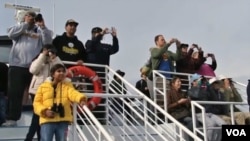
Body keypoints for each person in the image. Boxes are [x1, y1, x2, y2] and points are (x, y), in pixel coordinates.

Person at [3, 11, 53, 127]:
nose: (32, 18)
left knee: (37, 94)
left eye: (33, 16)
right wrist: (25, 24)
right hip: (17, 66)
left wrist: (42, 26)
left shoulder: (40, 31)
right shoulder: (19, 28)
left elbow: (48, 42)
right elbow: (10, 34)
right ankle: (12, 118)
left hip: (34, 68)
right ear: (25, 17)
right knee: (15, 93)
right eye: (29, 16)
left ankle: (40, 118)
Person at [33, 64, 87, 141]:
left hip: (63, 120)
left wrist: (81, 99)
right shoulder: (43, 86)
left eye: (63, 71)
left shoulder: (68, 85)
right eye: (59, 71)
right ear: (52, 74)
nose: (61, 73)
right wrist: (45, 111)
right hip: (47, 120)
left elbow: (73, 93)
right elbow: (36, 103)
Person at [24, 44, 63, 141]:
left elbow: (62, 69)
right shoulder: (38, 60)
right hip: (36, 91)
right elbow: (33, 70)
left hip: (48, 93)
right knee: (38, 115)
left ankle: (35, 138)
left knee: (40, 117)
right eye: (47, 50)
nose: (49, 52)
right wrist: (42, 55)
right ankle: (30, 138)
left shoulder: (53, 62)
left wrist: (54, 58)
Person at [85, 27, 119, 124]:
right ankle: (89, 120)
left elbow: (115, 49)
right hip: (90, 76)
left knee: (102, 98)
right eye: (96, 33)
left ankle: (101, 120)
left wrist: (114, 37)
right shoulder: (89, 43)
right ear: (92, 34)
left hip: (103, 76)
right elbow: (91, 46)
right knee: (91, 97)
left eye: (99, 33)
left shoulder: (105, 46)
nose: (98, 34)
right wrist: (101, 34)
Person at [188, 73, 226, 141]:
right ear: (193, 82)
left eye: (201, 80)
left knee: (223, 124)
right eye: (198, 80)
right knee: (212, 124)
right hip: (199, 113)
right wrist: (200, 86)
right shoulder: (190, 91)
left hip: (209, 113)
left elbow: (214, 98)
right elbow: (196, 95)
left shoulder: (205, 90)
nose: (201, 81)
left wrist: (208, 85)